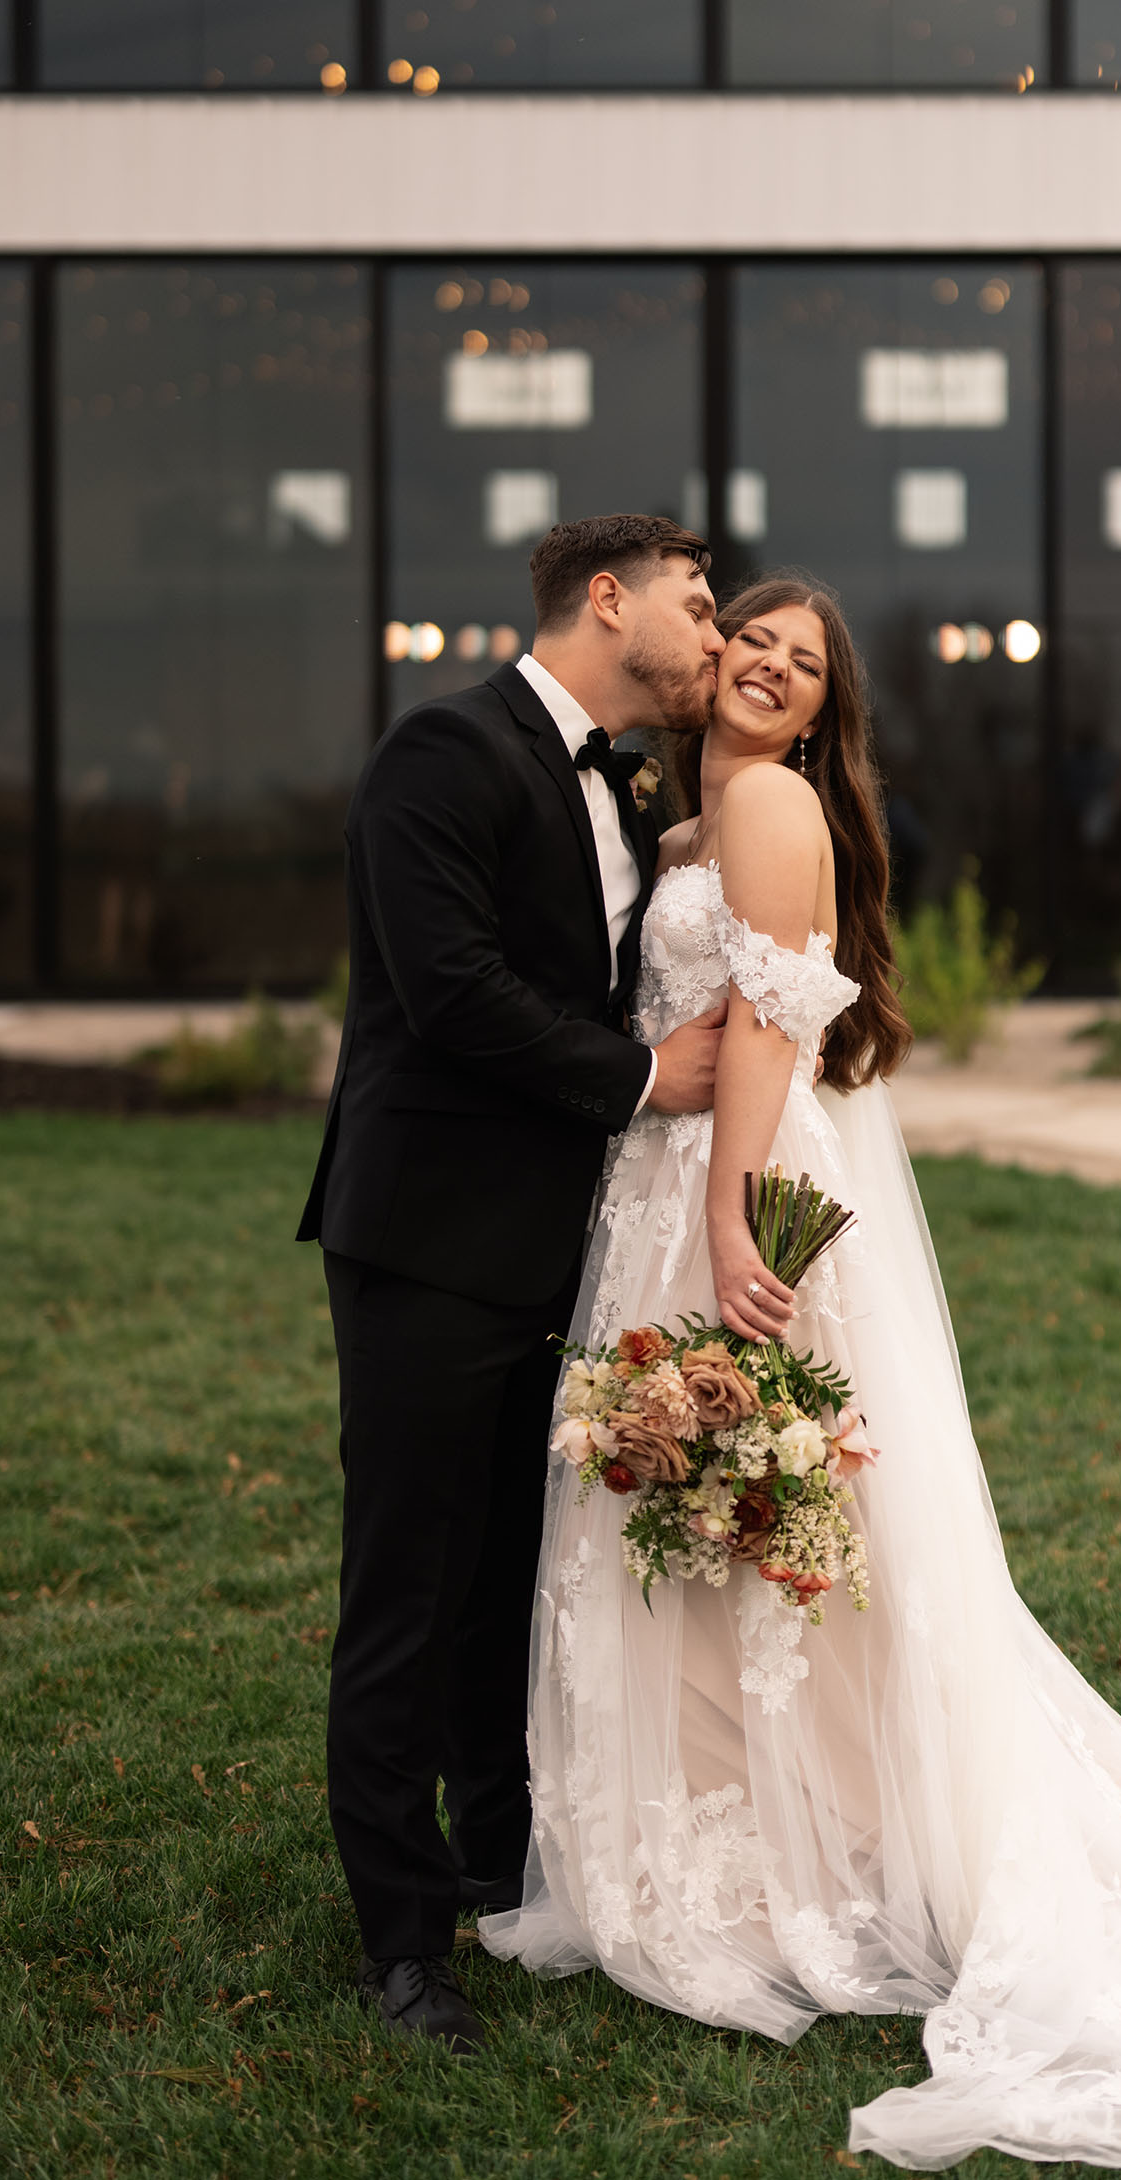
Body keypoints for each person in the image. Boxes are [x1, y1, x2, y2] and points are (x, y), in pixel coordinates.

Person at [487, 571, 1121, 2169]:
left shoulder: (769, 812)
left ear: (828, 715)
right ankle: (758, 1840)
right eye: (751, 639)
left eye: (805, 662)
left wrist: (724, 1222)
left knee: (788, 1537)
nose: (769, 664)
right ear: (705, 671)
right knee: (724, 1540)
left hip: (736, 1193)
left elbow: (769, 1029)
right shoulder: (685, 829)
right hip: (665, 1192)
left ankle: (814, 1856)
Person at [297, 512, 730, 2055]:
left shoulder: (621, 783)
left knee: (505, 1578)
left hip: (552, 1246)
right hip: (424, 1238)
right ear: (607, 604)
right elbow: (451, 990)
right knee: (405, 1593)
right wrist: (643, 1078)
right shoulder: (440, 755)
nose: (716, 629)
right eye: (698, 603)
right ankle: (403, 1944)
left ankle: (499, 1861)